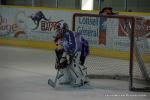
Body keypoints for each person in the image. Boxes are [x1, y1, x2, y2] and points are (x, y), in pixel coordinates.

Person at [54, 23, 89, 87]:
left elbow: (74, 46)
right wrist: (63, 59)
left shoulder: (68, 34)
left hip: (82, 49)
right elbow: (65, 48)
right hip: (76, 49)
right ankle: (68, 77)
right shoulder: (63, 38)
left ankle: (82, 79)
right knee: (71, 63)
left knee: (76, 64)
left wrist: (68, 56)